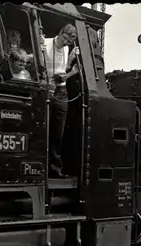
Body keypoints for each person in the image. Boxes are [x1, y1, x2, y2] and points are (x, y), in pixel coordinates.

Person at [40, 24, 80, 177]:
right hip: (47, 88)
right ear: (60, 33)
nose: (66, 44)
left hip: (61, 90)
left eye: (69, 42)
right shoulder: (45, 44)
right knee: (46, 127)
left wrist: (70, 69)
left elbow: (63, 71)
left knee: (58, 131)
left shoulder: (66, 49)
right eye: (65, 40)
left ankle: (55, 169)